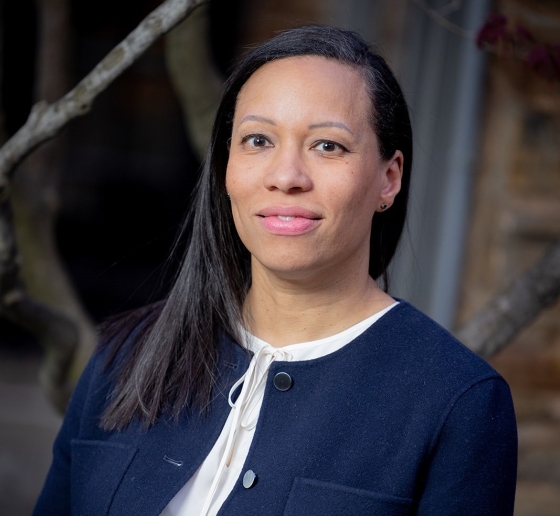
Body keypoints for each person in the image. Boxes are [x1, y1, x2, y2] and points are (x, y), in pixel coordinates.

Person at [33, 25, 517, 516]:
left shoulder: (459, 403)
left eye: (328, 146)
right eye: (258, 140)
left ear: (388, 179)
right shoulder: (124, 358)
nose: (286, 176)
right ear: (226, 168)